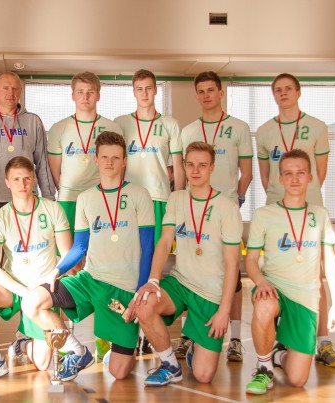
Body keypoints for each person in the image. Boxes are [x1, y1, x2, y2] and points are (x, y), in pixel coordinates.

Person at [24, 131, 155, 381]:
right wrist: (57, 271)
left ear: (125, 160)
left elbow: (148, 248)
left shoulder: (140, 195)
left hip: (123, 289)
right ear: (96, 159)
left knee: (119, 372)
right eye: (104, 157)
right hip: (90, 280)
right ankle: (78, 352)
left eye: (115, 157)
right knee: (33, 302)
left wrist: (138, 293)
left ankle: (122, 346)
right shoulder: (85, 198)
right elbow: (79, 247)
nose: (109, 163)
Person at [133, 141, 242, 386]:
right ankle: (170, 365)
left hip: (210, 293)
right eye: (190, 164)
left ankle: (196, 347)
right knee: (144, 303)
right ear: (183, 165)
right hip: (180, 282)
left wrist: (224, 311)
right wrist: (153, 280)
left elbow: (232, 263)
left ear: (212, 167)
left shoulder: (227, 207)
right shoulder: (176, 198)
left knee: (203, 376)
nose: (195, 170)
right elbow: (164, 242)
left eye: (202, 165)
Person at [256, 73, 335, 367]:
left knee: (314, 274)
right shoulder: (264, 131)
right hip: (277, 209)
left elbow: (320, 172)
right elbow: (266, 177)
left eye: (288, 89)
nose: (283, 94)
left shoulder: (317, 126)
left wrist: (303, 197)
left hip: (308, 208)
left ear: (298, 92)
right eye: (277, 90)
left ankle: (323, 342)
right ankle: (279, 341)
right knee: (274, 273)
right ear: (273, 95)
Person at [0, 71, 56, 355]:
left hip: (26, 203)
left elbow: (41, 162)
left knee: (29, 264)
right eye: (5, 88)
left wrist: (48, 197)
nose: (10, 93)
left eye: (15, 88)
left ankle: (24, 331)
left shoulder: (33, 121)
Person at [0, 156, 72, 382]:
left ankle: (22, 343)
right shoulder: (0, 217)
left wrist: (50, 288)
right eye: (16, 179)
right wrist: (24, 292)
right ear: (7, 182)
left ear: (34, 180)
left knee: (42, 364)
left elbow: (67, 256)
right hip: (14, 288)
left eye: (26, 178)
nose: (22, 184)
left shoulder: (53, 209)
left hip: (43, 290)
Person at [244, 149, 335, 394]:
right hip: (274, 288)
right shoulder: (264, 215)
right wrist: (261, 282)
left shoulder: (320, 215)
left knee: (298, 380)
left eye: (300, 173)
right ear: (280, 179)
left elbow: (330, 260)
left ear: (310, 177)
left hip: (305, 298)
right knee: (264, 304)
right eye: (288, 173)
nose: (295, 178)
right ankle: (264, 368)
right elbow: (251, 260)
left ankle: (278, 355)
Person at [174, 71, 253, 362]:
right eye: (201, 91)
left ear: (221, 93)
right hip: (193, 214)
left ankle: (235, 338)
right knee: (188, 271)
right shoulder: (188, 131)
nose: (206, 95)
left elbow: (247, 172)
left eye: (211, 90)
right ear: (196, 96)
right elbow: (181, 172)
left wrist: (235, 201)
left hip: (224, 211)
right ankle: (187, 335)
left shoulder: (239, 127)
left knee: (232, 275)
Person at [114, 69, 183, 355]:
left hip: (159, 199)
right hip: (129, 200)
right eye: (139, 88)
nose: (144, 93)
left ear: (156, 90)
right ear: (133, 92)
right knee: (130, 263)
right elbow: (115, 163)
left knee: (155, 264)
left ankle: (148, 329)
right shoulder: (121, 123)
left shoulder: (170, 124)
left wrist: (180, 200)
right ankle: (127, 329)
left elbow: (178, 167)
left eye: (149, 88)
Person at [47, 71, 121, 235]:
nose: (85, 97)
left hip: (101, 196)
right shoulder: (58, 128)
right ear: (73, 95)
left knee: (100, 244)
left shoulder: (112, 127)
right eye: (80, 92)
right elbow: (55, 169)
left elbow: (119, 166)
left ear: (98, 96)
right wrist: (67, 190)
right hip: (68, 198)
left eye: (90, 92)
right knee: (69, 246)